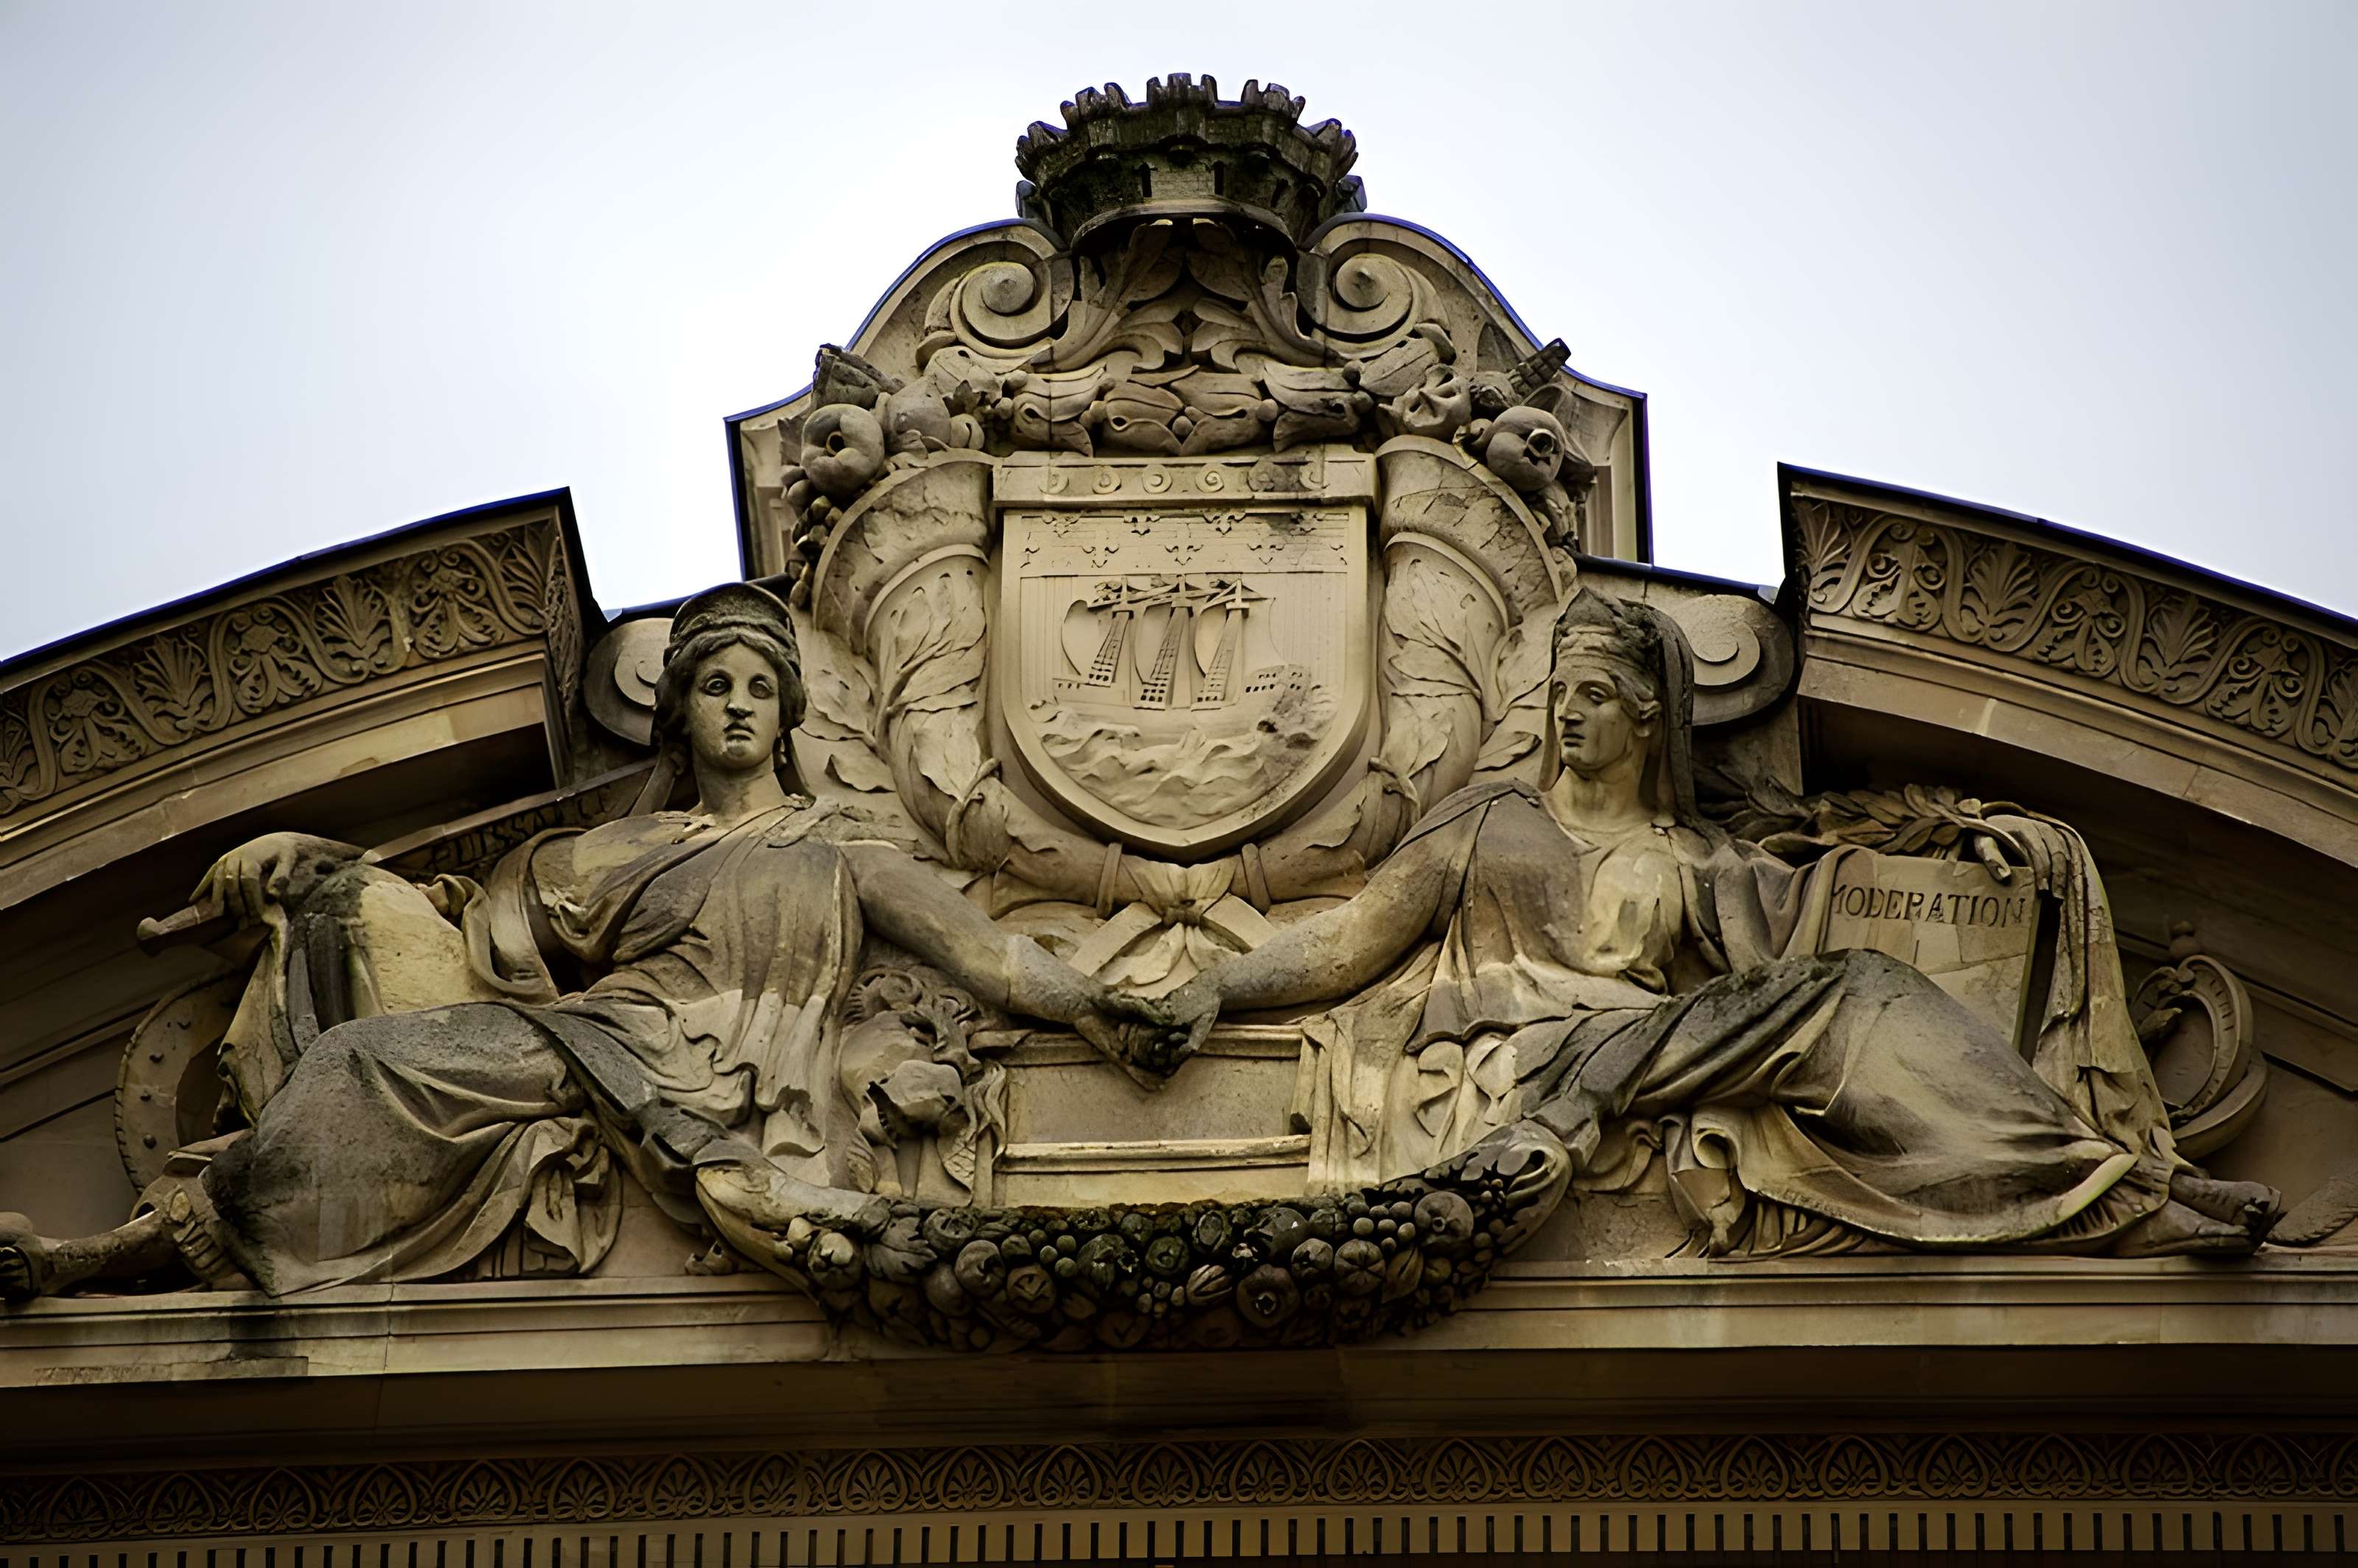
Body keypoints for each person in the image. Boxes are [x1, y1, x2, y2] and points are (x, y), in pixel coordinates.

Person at [0, 584, 1166, 1300]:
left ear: (790, 713)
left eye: (762, 686)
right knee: (360, 1064)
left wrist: (1094, 1006)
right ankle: (127, 1251)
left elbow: (989, 956)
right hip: (594, 1043)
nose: (740, 705)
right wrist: (321, 862)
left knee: (365, 1067)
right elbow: (465, 924)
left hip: (719, 1075)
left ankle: (122, 1257)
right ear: (683, 711)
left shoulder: (846, 853)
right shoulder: (615, 851)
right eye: (716, 684)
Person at [1155, 591, 2278, 1258]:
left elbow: (1831, 892)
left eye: (1591, 697)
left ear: (1647, 723)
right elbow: (1351, 937)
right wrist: (1215, 985)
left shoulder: (1703, 861)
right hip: (1519, 1062)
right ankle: (2122, 1196)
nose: (1567, 714)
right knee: (1835, 996)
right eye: (1562, 697)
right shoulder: (1489, 820)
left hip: (1654, 1052)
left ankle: (2111, 1190)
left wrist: (1966, 841)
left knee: (1859, 997)